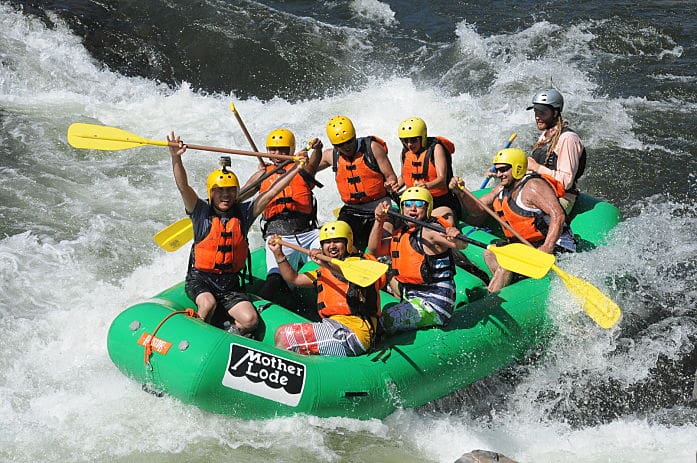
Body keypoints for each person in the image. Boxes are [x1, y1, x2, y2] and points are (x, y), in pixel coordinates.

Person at [167, 131, 308, 336]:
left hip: (230, 284)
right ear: (211, 193)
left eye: (231, 190)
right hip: (201, 279)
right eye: (220, 190)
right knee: (207, 304)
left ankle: (228, 335)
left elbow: (271, 192)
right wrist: (176, 157)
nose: (226, 195)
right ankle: (195, 337)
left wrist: (297, 167)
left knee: (250, 320)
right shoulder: (200, 212)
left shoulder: (244, 213)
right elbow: (183, 187)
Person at [268, 221, 386, 356]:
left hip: (354, 333)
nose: (332, 246)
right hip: (335, 327)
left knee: (285, 337)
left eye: (337, 241)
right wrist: (278, 254)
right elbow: (294, 278)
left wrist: (325, 263)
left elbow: (347, 275)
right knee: (280, 331)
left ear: (348, 242)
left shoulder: (359, 264)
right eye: (327, 242)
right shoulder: (323, 271)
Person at [241, 128, 323, 307]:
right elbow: (239, 197)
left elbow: (314, 162)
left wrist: (317, 148)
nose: (278, 154)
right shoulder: (263, 173)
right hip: (278, 236)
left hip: (308, 233)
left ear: (292, 150)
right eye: (273, 150)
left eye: (283, 150)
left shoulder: (301, 168)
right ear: (268, 151)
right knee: (274, 282)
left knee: (328, 254)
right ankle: (256, 311)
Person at [368, 187, 466, 334]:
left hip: (434, 303)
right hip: (412, 295)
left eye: (419, 204)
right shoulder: (403, 233)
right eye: (407, 205)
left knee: (384, 321)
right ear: (402, 209)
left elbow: (460, 244)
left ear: (427, 208)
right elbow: (375, 250)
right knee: (386, 302)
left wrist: (456, 235)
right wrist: (379, 220)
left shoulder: (431, 231)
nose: (412, 209)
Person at [477, 148, 576, 293]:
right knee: (489, 254)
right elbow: (478, 205)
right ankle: (512, 289)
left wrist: (547, 248)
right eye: (496, 170)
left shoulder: (533, 186)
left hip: (557, 248)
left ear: (517, 167)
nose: (499, 174)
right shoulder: (503, 188)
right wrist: (459, 191)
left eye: (503, 170)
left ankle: (493, 298)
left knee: (507, 263)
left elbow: (558, 215)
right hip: (529, 246)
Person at [315, 115, 399, 251]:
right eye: (341, 145)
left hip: (380, 206)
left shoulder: (373, 148)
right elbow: (306, 170)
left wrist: (391, 184)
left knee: (383, 239)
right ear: (334, 145)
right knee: (339, 243)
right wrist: (310, 155)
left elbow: (391, 177)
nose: (346, 147)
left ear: (354, 136)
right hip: (351, 210)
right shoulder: (331, 155)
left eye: (349, 141)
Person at [526, 88, 587, 213]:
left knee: (522, 211)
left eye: (543, 112)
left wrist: (537, 167)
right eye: (536, 112)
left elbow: (565, 182)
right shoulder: (545, 135)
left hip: (561, 196)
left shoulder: (568, 139)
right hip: (539, 190)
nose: (537, 117)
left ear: (555, 113)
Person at [396, 117, 461, 222]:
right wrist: (394, 186)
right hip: (415, 202)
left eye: (413, 140)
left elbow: (442, 180)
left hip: (439, 202)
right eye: (405, 140)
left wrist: (426, 186)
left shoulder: (436, 148)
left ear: (422, 137)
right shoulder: (405, 152)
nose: (409, 144)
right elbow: (404, 176)